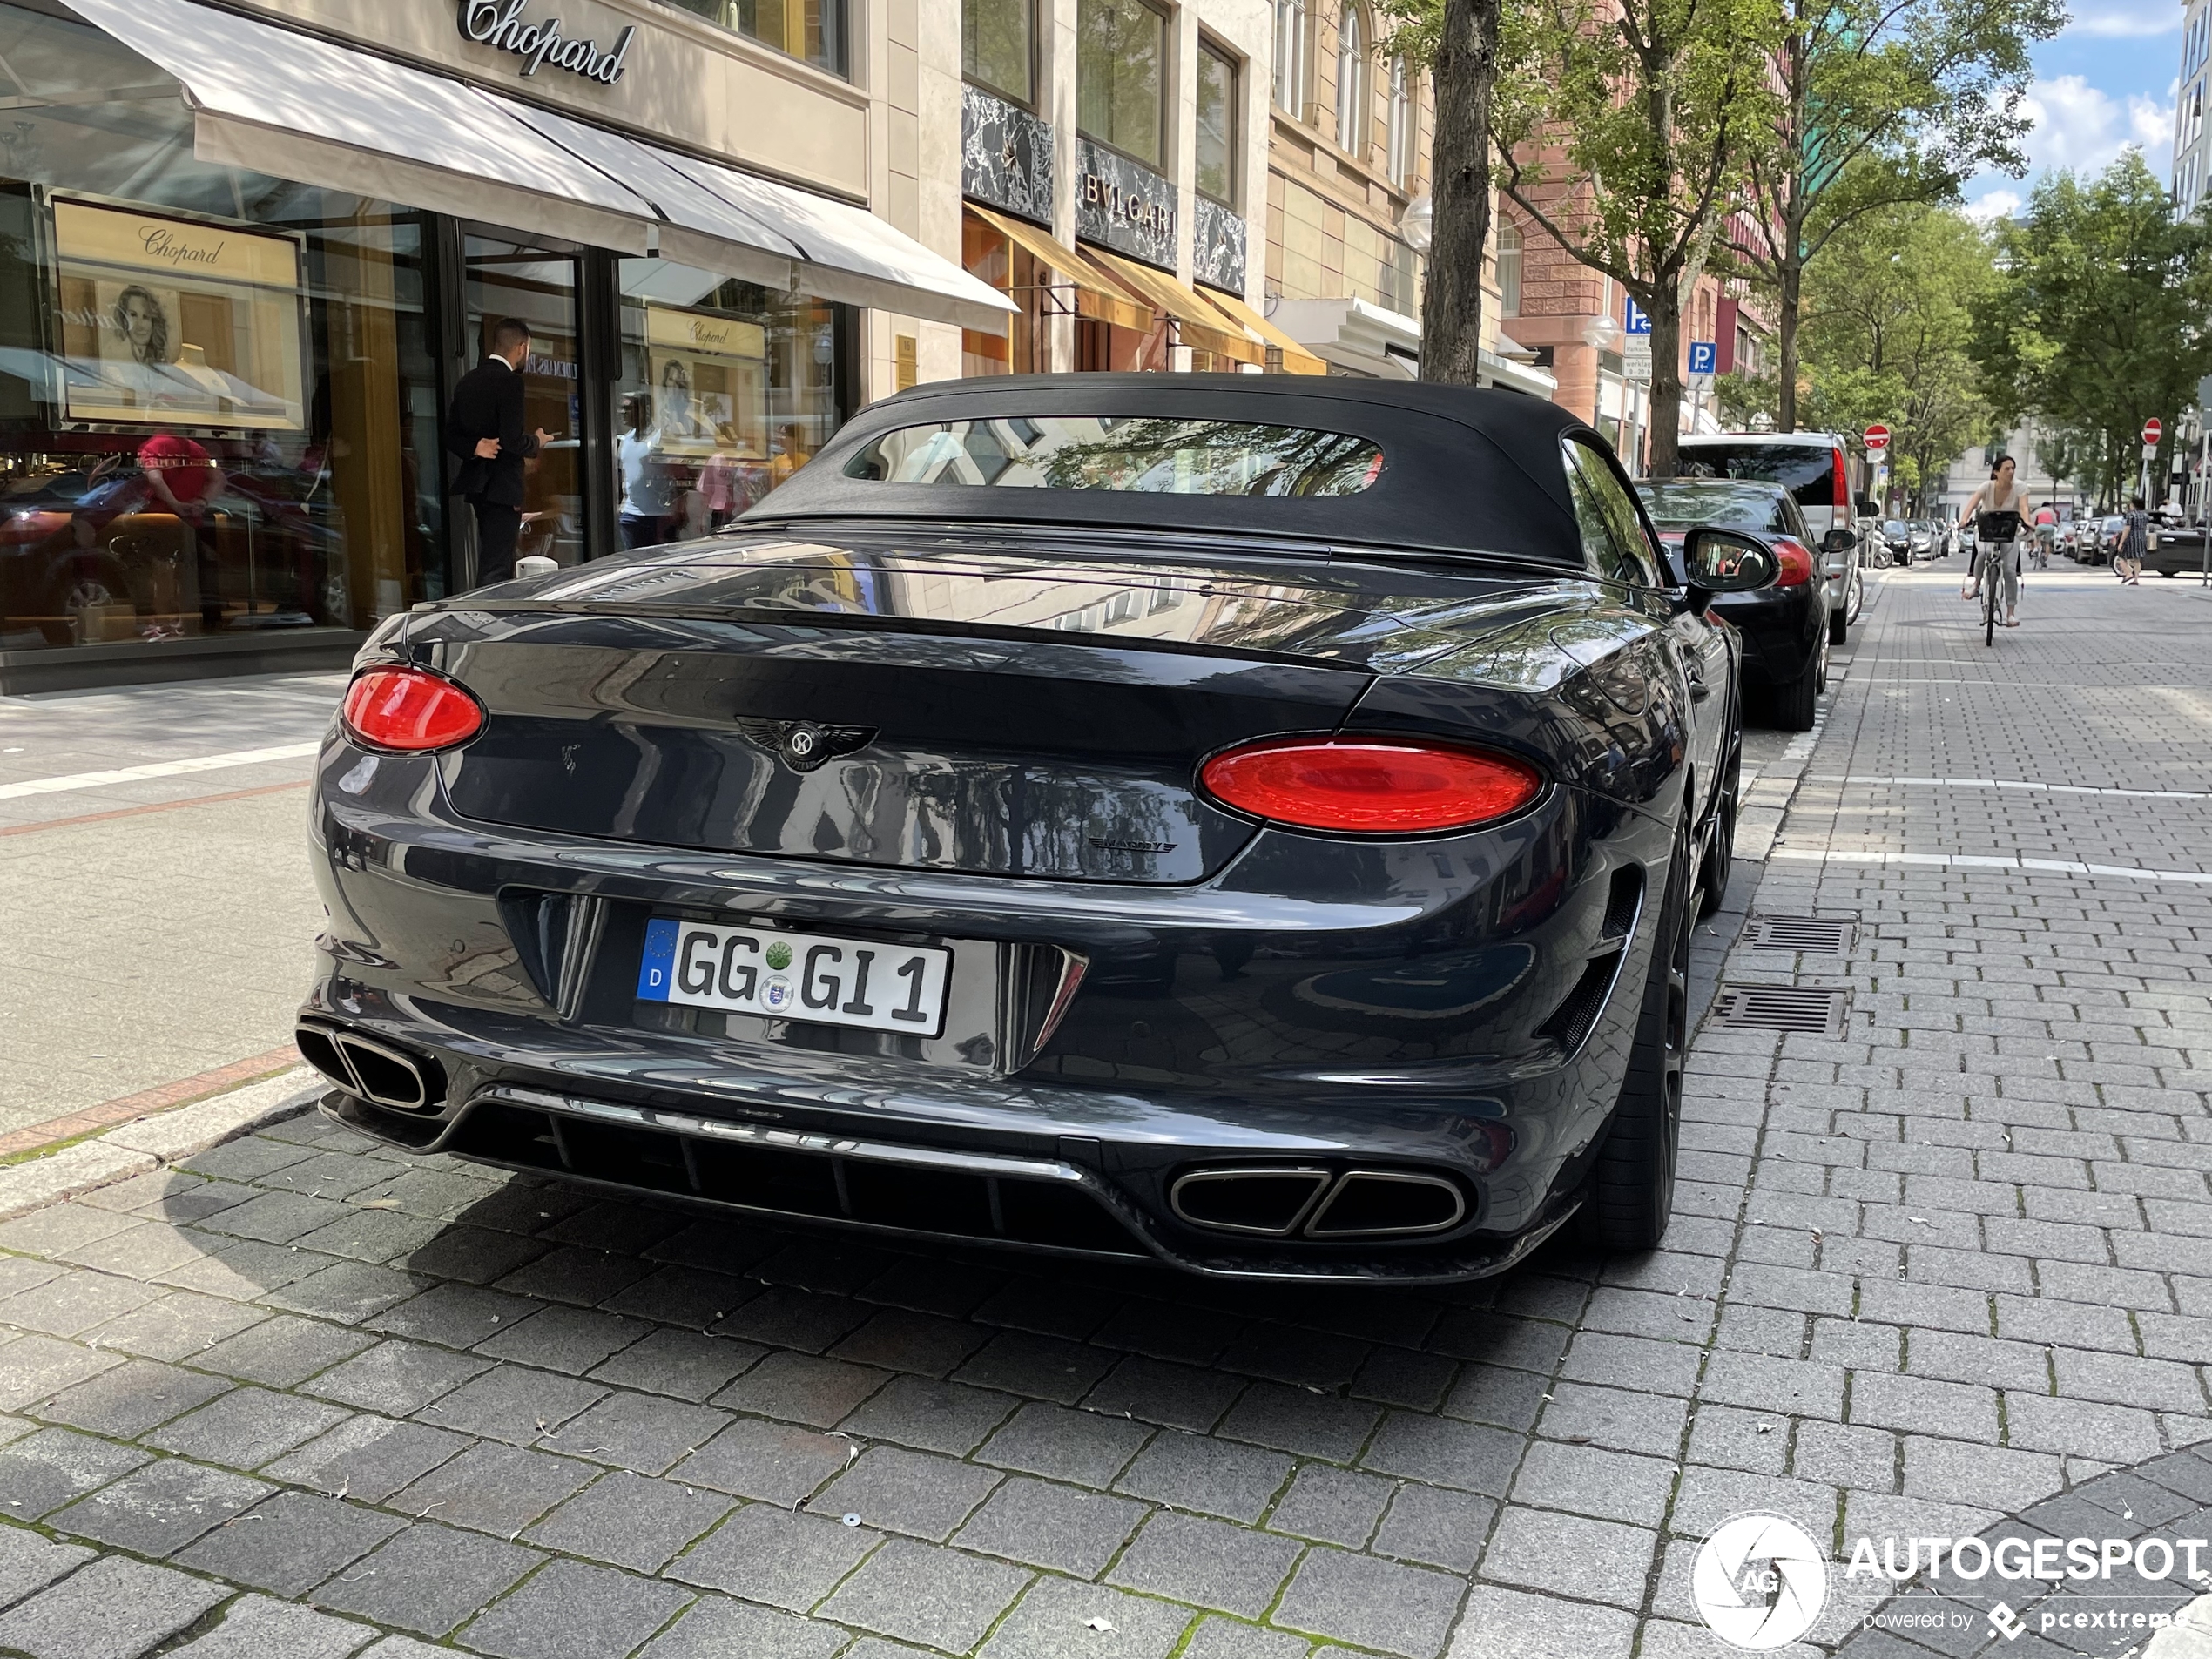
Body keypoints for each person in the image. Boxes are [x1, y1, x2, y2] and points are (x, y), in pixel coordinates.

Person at [445, 317, 550, 585]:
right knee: (497, 565)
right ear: (521, 347)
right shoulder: (510, 382)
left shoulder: (466, 381)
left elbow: (449, 435)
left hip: (479, 487)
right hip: (502, 487)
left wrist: (475, 447)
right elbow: (513, 441)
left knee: (491, 557)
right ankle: (490, 620)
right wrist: (537, 441)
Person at [1958, 455, 2031, 627]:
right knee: (1983, 553)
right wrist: (1964, 520)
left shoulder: (2020, 487)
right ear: (1996, 472)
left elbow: (2024, 508)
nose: (2011, 472)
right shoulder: (1986, 487)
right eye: (2007, 469)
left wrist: (2027, 522)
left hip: (2009, 532)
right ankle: (1976, 585)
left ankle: (2010, 613)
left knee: (2010, 571)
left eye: (2013, 468)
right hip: (1986, 531)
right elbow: (1971, 506)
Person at [616, 392, 670, 550]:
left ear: (644, 410)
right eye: (622, 408)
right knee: (634, 564)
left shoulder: (659, 438)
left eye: (628, 408)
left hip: (657, 515)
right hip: (630, 514)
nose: (623, 413)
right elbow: (622, 473)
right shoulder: (626, 439)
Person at [2116, 495, 2148, 584]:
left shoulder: (2130, 515)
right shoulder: (2145, 515)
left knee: (2122, 556)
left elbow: (2127, 528)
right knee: (2137, 559)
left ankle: (2128, 574)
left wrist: (2121, 542)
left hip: (2131, 538)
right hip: (2141, 538)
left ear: (2133, 504)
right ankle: (2136, 579)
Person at [2030, 503, 2057, 570]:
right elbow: (2055, 521)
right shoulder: (2051, 511)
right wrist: (2055, 524)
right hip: (2050, 527)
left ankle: (2036, 548)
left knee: (2035, 535)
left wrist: (2033, 526)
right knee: (2047, 543)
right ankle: (2045, 557)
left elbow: (2032, 518)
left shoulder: (2039, 510)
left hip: (2040, 526)